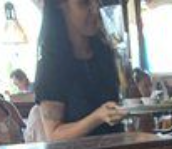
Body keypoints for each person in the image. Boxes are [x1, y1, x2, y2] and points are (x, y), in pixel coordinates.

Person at [34, 0, 125, 141]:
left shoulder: (105, 53)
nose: (95, 10)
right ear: (60, 5)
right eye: (85, 3)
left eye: (97, 2)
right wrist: (98, 117)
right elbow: (53, 134)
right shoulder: (51, 66)